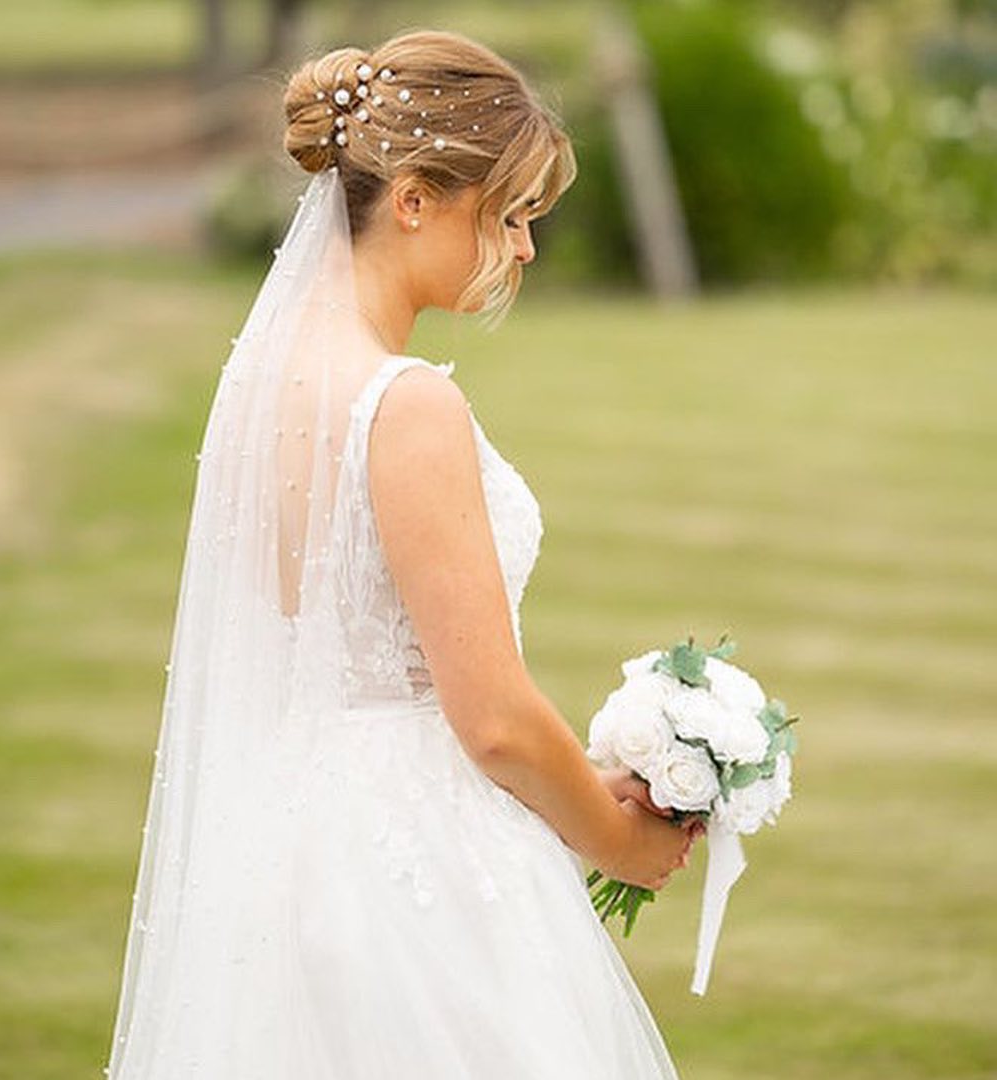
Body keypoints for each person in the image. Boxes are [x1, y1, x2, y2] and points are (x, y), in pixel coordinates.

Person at [103, 27, 702, 1079]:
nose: (522, 249)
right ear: (416, 197)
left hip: (292, 847)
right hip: (414, 860)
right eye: (509, 216)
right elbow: (496, 721)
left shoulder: (263, 385)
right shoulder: (407, 403)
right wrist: (623, 845)